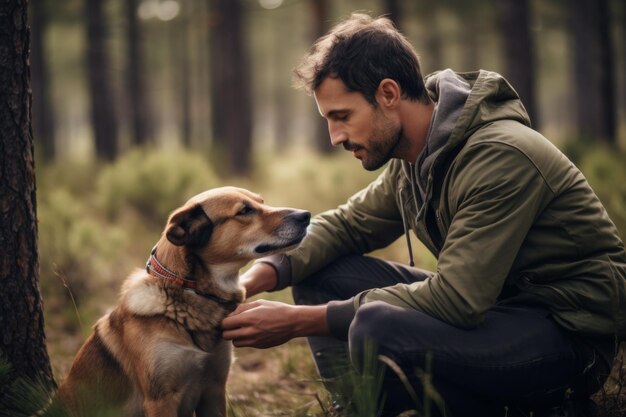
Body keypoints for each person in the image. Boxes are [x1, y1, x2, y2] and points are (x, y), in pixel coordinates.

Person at [221, 13, 626, 417]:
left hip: (568, 339)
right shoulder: (415, 157)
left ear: (388, 94)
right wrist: (255, 279)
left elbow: (458, 299)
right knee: (320, 272)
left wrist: (297, 321)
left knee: (376, 324)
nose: (336, 137)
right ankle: (359, 406)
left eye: (342, 116)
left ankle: (541, 407)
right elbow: (347, 225)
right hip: (499, 314)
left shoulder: (501, 156)